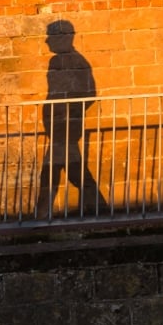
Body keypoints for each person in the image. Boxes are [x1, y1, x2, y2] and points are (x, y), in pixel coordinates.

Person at [36, 20, 107, 217]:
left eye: (51, 37)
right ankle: (100, 209)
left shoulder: (76, 62)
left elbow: (89, 93)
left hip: (65, 128)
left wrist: (70, 113)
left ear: (66, 38)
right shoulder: (58, 61)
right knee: (67, 171)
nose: (47, 41)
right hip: (59, 128)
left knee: (60, 172)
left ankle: (41, 217)